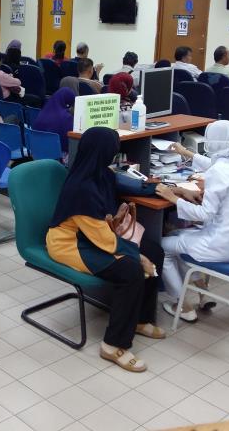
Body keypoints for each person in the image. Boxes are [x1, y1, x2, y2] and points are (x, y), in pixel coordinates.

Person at [47, 127, 164, 373]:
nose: (115, 154)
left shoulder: (103, 175)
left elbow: (106, 219)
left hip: (92, 237)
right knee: (130, 270)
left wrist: (118, 217)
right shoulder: (82, 188)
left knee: (155, 251)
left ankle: (140, 319)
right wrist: (137, 256)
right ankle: (113, 344)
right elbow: (104, 240)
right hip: (69, 244)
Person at [155, 120, 229, 323]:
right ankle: (203, 293)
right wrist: (187, 153)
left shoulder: (218, 172)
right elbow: (215, 165)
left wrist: (172, 196)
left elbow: (204, 214)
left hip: (220, 246)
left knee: (163, 248)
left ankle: (182, 305)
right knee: (177, 237)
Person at [33, 87, 75, 153]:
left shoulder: (43, 112)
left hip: (38, 153)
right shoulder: (66, 117)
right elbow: (69, 143)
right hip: (57, 157)